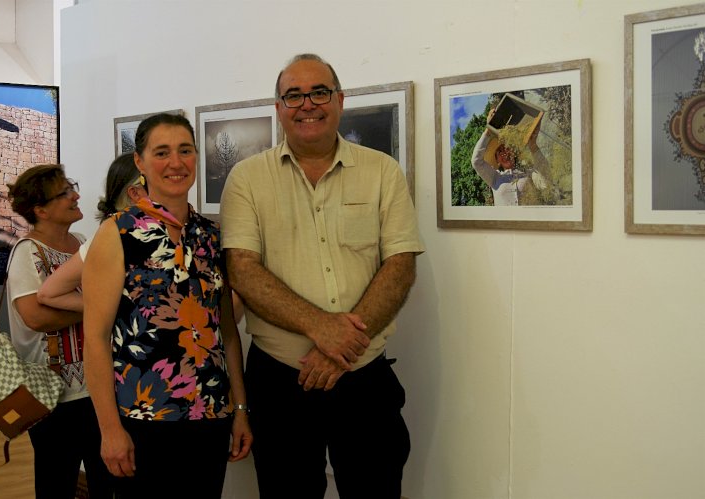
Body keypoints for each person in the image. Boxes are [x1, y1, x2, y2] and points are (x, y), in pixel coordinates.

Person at [220, 53, 425, 499]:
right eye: (293, 95)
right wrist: (322, 328)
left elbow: (401, 265)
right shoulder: (246, 180)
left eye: (319, 92)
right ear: (278, 107)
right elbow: (243, 270)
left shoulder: (382, 172)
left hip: (364, 376)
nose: (307, 104)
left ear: (340, 100)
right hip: (280, 383)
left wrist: (340, 349)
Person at [82, 113, 252, 499]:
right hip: (143, 419)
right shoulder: (118, 233)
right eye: (162, 152)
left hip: (210, 415)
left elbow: (227, 332)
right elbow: (95, 337)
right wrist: (109, 430)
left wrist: (239, 410)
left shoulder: (210, 236)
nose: (175, 163)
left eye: (185, 150)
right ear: (140, 162)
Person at [5, 165, 112, 499]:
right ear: (41, 210)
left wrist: (75, 302)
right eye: (65, 191)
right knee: (56, 483)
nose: (76, 195)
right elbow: (35, 317)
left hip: (97, 386)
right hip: (53, 396)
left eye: (72, 187)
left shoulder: (80, 242)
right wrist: (100, 305)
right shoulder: (26, 252)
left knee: (105, 480)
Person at [36, 153, 144, 312]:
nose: (76, 196)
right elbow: (48, 294)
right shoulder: (115, 236)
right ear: (134, 193)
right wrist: (117, 309)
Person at [470, 111, 552, 206]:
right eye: (500, 152)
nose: (505, 153)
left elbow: (546, 183)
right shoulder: (494, 178)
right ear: (497, 161)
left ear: (513, 153)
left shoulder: (529, 172)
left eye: (507, 149)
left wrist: (533, 145)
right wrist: (488, 130)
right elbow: (476, 161)